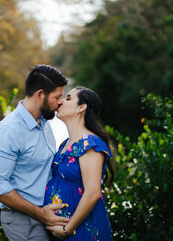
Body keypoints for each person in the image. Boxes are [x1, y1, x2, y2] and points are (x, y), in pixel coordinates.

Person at [0, 64, 70, 241]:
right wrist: (41, 214)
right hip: (25, 222)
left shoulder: (45, 123)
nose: (60, 102)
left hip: (45, 217)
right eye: (57, 97)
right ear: (40, 94)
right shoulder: (9, 130)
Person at [45, 86, 114, 240]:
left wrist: (67, 229)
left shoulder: (90, 144)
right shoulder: (64, 144)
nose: (61, 101)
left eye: (68, 98)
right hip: (62, 228)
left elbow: (93, 192)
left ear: (81, 107)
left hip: (81, 229)